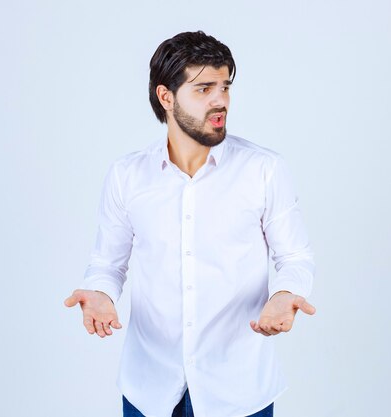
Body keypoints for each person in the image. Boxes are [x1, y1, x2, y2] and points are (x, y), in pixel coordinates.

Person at [64, 30, 316, 417]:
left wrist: (284, 294)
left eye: (225, 87)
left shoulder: (265, 170)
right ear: (166, 97)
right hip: (149, 389)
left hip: (239, 390)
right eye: (203, 89)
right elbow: (107, 264)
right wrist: (100, 292)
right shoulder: (127, 176)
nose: (220, 101)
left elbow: (295, 256)